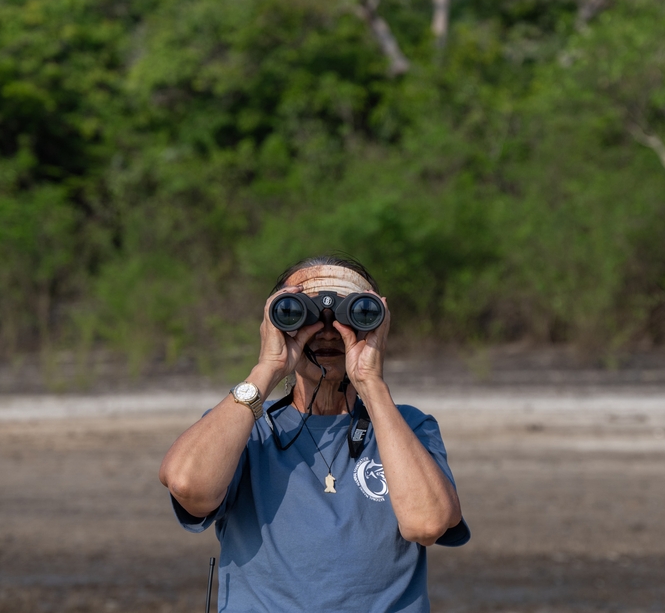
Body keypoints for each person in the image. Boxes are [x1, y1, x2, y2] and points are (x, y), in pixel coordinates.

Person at [159, 255, 469, 612]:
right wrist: (267, 368)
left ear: (376, 324)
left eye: (348, 315)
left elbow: (427, 523)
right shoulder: (244, 430)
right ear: (273, 324)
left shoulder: (408, 428)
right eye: (301, 313)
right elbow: (187, 485)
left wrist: (371, 383)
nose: (326, 331)